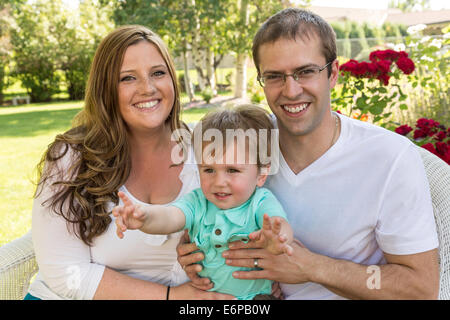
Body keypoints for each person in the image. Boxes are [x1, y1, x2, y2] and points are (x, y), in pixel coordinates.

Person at [177, 8, 440, 300]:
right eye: (275, 76)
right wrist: (196, 250)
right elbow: (200, 211)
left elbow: (420, 288)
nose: (291, 90)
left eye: (306, 72)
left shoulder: (390, 158)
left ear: (333, 73)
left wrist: (313, 268)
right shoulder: (244, 146)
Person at [26, 25, 232, 300]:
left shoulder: (205, 147)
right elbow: (64, 273)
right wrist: (173, 296)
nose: (147, 88)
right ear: (106, 89)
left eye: (158, 73)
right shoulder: (71, 157)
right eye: (127, 78)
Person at [113, 105, 294, 300]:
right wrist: (145, 217)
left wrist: (277, 239)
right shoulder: (198, 202)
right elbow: (170, 217)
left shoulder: (260, 202)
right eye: (209, 170)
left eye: (232, 170)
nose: (219, 182)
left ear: (261, 173)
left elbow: (279, 224)